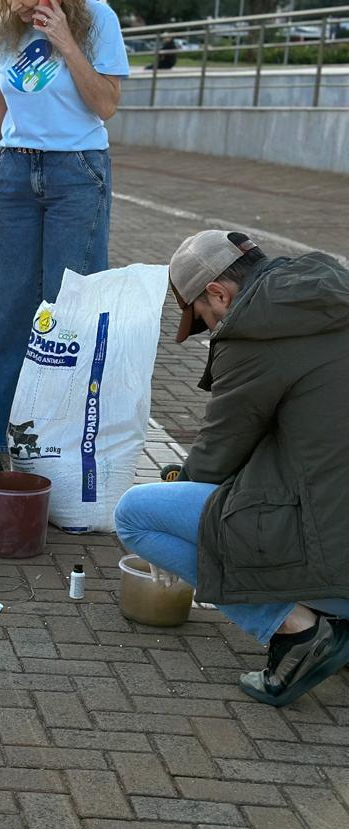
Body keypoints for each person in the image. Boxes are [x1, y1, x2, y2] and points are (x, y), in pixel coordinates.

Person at [115, 230, 349, 707]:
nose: (208, 329)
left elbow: (217, 455)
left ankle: (294, 628)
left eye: (202, 317)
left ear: (219, 293)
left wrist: (182, 479)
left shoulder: (258, 330)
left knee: (136, 515)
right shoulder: (325, 290)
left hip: (334, 548)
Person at [0, 0, 128, 454]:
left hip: (77, 172)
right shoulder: (2, 25)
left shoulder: (97, 18)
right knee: (2, 310)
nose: (16, 5)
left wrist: (66, 43)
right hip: (14, 172)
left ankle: (62, 450)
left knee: (69, 312)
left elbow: (106, 104)